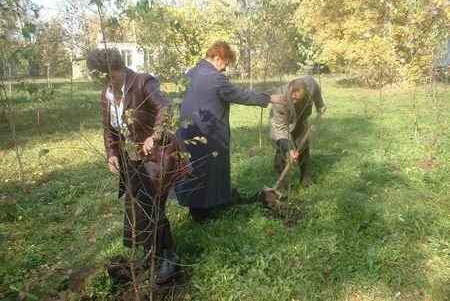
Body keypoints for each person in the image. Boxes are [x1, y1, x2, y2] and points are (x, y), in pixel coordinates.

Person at [87, 48, 186, 283]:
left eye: (111, 77)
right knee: (137, 207)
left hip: (158, 156)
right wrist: (112, 153)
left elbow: (165, 108)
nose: (109, 83)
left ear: (120, 68)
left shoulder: (143, 82)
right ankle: (152, 254)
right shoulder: (106, 95)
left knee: (154, 207)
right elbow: (108, 129)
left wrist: (156, 134)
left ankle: (170, 257)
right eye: (103, 79)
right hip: (131, 158)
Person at [175, 41, 285, 222]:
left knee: (196, 170)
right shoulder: (214, 78)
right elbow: (240, 94)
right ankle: (201, 215)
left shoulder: (192, 72)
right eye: (225, 64)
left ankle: (205, 206)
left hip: (190, 131)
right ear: (217, 58)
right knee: (206, 170)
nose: (225, 69)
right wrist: (270, 98)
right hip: (209, 134)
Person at [269, 77, 326, 187]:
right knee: (281, 148)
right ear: (289, 90)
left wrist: (320, 105)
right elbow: (281, 129)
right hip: (282, 121)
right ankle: (279, 183)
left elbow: (317, 93)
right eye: (292, 98)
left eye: (298, 99)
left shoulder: (311, 84)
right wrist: (290, 149)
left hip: (301, 118)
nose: (294, 101)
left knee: (303, 146)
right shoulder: (280, 98)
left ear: (305, 92)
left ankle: (306, 178)